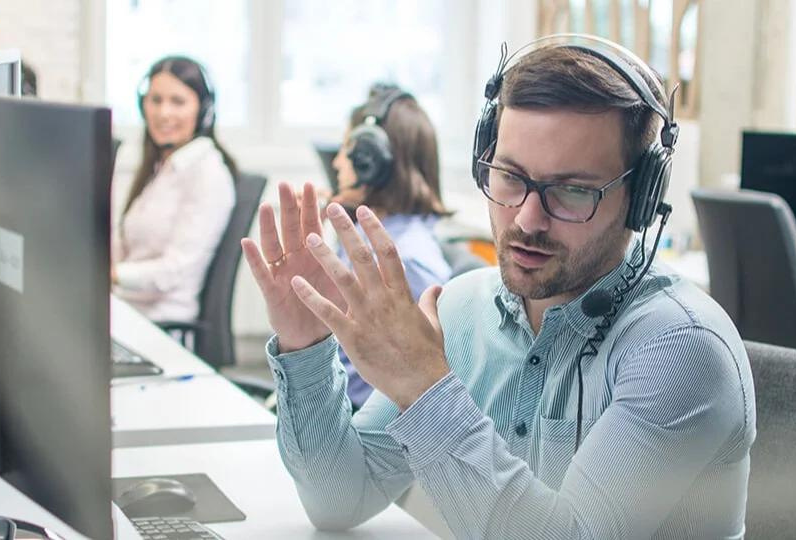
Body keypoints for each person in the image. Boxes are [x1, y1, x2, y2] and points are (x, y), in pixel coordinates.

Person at [242, 35, 755, 539]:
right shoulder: (466, 309)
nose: (527, 219)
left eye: (573, 191)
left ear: (642, 198)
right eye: (510, 177)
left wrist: (425, 390)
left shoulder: (682, 348)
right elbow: (340, 499)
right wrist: (305, 344)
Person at [327, 84, 452, 409]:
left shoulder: (407, 258)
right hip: (337, 404)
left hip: (367, 425)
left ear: (373, 160)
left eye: (346, 150)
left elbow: (432, 385)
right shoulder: (364, 234)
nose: (338, 163)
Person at [112, 56, 238, 322]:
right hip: (126, 311)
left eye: (177, 102)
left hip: (161, 323)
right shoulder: (160, 167)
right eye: (155, 100)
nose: (163, 113)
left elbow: (174, 271)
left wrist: (112, 274)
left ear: (202, 110)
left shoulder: (209, 174)